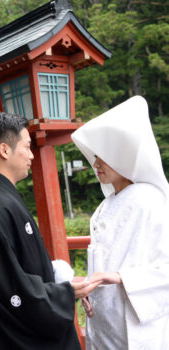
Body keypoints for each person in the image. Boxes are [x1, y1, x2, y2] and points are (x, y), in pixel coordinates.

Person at [0, 112, 100, 350]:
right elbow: (8, 286)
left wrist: (62, 281)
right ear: (5, 150)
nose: (31, 155)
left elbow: (20, 266)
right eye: (27, 147)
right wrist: (63, 294)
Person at [71, 96, 169, 349]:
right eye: (95, 156)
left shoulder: (150, 200)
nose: (96, 164)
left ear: (124, 155)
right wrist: (89, 286)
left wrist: (119, 276)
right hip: (103, 316)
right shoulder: (106, 205)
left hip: (135, 319)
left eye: (103, 156)